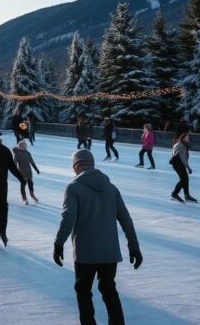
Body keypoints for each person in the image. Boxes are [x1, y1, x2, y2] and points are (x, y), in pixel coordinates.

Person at [53, 149, 142, 325]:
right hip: (110, 253)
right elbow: (126, 220)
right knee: (109, 289)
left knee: (83, 291)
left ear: (76, 166)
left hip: (86, 253)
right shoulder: (111, 188)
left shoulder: (73, 188)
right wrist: (134, 247)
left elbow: (69, 217)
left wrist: (58, 243)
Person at [169, 133, 196, 203]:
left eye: (188, 138)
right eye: (187, 138)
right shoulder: (180, 145)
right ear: (183, 138)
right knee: (184, 179)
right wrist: (188, 168)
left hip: (179, 164)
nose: (188, 139)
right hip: (178, 164)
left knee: (185, 179)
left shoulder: (182, 145)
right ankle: (174, 194)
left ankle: (187, 195)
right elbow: (182, 157)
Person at [13, 139, 41, 204]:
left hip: (29, 172)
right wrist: (16, 171)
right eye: (22, 146)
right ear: (19, 146)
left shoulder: (28, 153)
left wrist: (36, 170)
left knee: (30, 184)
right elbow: (14, 163)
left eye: (25, 146)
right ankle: (24, 198)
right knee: (23, 185)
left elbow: (32, 162)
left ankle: (32, 195)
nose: (24, 147)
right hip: (21, 172)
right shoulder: (17, 154)